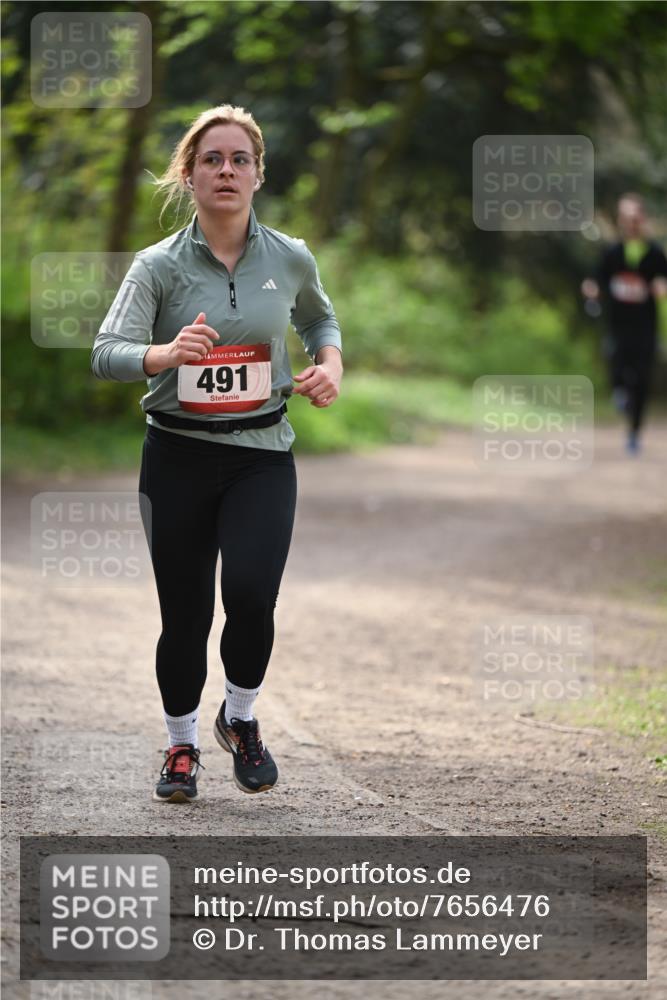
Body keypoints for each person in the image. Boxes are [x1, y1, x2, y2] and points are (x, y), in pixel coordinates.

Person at [91, 104, 343, 802]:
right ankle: (180, 747)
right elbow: (105, 353)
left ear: (258, 174)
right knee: (186, 615)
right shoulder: (157, 266)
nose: (226, 170)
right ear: (189, 174)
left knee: (253, 595)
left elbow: (320, 317)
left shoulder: (289, 256)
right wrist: (166, 354)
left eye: (239, 159)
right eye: (212, 160)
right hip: (175, 457)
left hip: (261, 453)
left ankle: (239, 717)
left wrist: (330, 362)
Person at [581, 192, 667, 454]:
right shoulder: (612, 252)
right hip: (618, 324)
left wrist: (661, 287)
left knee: (641, 379)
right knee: (616, 364)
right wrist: (591, 288)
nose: (630, 222)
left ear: (642, 219)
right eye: (625, 217)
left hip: (645, 326)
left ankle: (633, 433)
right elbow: (596, 279)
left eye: (634, 217)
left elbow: (663, 280)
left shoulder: (654, 253)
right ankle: (619, 393)